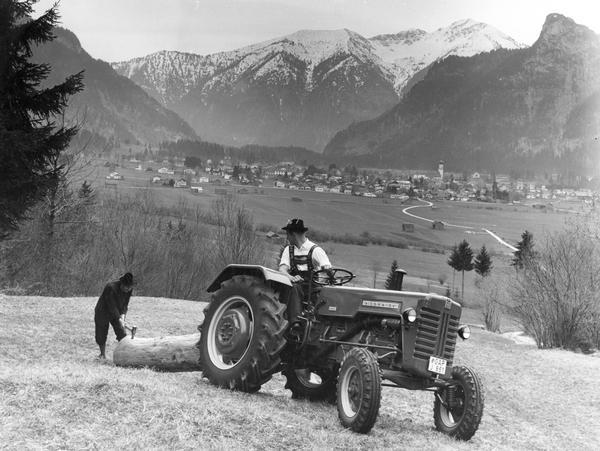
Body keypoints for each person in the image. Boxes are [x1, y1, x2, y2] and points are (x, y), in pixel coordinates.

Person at [278, 219, 331, 332]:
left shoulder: (315, 250)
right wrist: (291, 277)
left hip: (313, 288)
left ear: (293, 234)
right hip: (296, 287)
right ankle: (295, 323)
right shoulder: (289, 250)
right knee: (295, 287)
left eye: (287, 234)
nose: (287, 238)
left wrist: (326, 268)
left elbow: (327, 268)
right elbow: (282, 269)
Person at [94, 272, 134, 359]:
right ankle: (102, 355)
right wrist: (119, 318)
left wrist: (123, 316)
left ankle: (125, 355)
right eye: (126, 287)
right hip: (102, 311)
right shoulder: (110, 287)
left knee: (121, 332)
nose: (127, 290)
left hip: (117, 312)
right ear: (121, 284)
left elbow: (125, 304)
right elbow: (111, 306)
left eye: (129, 288)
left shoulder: (129, 290)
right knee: (101, 334)